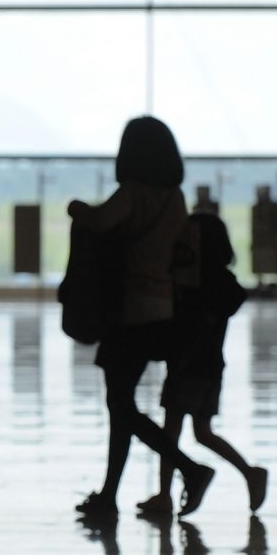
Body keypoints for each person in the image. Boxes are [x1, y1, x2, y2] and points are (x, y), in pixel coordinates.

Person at [67, 116, 215, 522]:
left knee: (120, 404)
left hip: (129, 310)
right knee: (121, 404)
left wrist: (75, 207)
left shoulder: (133, 193)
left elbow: (99, 220)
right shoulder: (175, 198)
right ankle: (109, 495)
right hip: (161, 310)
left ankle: (190, 469)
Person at [143, 212, 267, 516]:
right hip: (212, 366)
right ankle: (249, 472)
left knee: (170, 430)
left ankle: (164, 494)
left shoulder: (196, 281)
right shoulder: (224, 282)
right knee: (202, 431)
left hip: (188, 364)